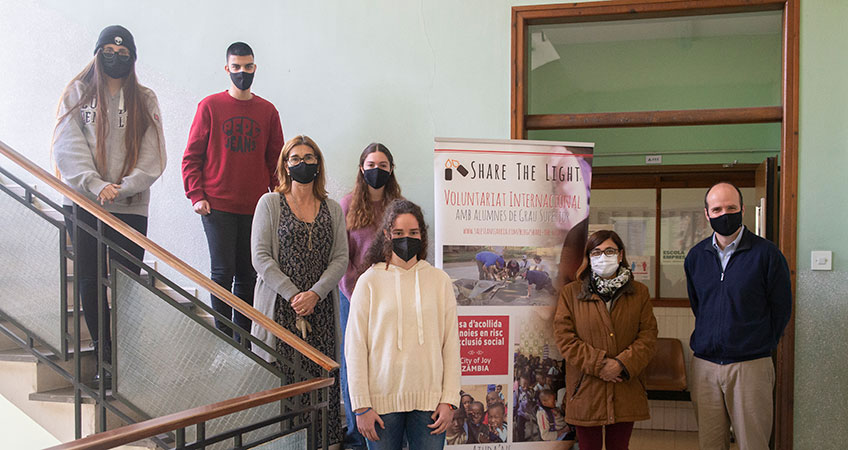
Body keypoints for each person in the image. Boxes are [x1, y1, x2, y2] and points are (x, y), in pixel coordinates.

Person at [52, 25, 166, 386]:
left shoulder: (145, 98)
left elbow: (154, 153)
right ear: (97, 52)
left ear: (133, 57)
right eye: (109, 50)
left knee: (127, 283)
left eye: (124, 52)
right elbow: (66, 146)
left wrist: (124, 187)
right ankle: (105, 358)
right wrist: (96, 186)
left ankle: (128, 357)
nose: (116, 57)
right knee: (88, 279)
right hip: (86, 203)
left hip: (129, 207)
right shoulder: (78, 92)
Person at [182, 41, 284, 343]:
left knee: (248, 274)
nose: (242, 72)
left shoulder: (268, 111)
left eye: (248, 67)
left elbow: (275, 161)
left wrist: (279, 200)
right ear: (227, 69)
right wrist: (196, 194)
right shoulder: (210, 106)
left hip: (256, 207)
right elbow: (192, 156)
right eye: (236, 67)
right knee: (222, 272)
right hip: (217, 206)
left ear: (255, 68)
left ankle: (245, 340)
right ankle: (224, 339)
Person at [250, 135, 348, 446]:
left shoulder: (332, 208)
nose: (302, 163)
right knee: (283, 386)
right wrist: (295, 295)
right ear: (285, 165)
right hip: (281, 311)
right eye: (295, 158)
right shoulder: (270, 203)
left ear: (318, 165)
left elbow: (340, 257)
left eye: (308, 158)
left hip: (320, 312)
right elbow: (260, 257)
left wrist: (315, 294)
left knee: (321, 385)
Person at [345, 199, 460, 450]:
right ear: (387, 234)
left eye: (413, 232)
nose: (406, 238)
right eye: (398, 233)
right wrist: (361, 406)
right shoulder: (369, 281)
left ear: (422, 235)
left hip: (430, 405)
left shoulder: (439, 281)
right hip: (379, 406)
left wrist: (449, 400)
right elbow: (354, 348)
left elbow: (451, 344)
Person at [685, 182, 791, 450]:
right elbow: (699, 305)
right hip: (705, 366)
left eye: (731, 207)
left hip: (750, 365)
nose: (725, 214)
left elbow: (781, 309)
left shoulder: (767, 255)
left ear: (743, 209)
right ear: (707, 214)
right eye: (717, 209)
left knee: (752, 443)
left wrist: (758, 343)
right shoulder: (696, 257)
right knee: (710, 443)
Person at [553, 230, 658, 450]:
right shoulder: (571, 293)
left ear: (620, 255)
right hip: (586, 389)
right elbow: (565, 338)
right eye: (597, 252)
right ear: (589, 258)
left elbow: (648, 336)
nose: (603, 257)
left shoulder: (639, 293)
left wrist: (621, 364)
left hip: (625, 387)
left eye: (609, 251)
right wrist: (600, 365)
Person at [338, 143, 402, 449]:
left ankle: (386, 425)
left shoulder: (400, 207)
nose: (377, 170)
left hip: (391, 299)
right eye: (371, 163)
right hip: (352, 296)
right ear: (362, 168)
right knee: (354, 361)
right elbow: (340, 258)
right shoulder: (347, 205)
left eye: (383, 164)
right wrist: (357, 294)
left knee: (387, 359)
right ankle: (354, 433)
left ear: (391, 170)